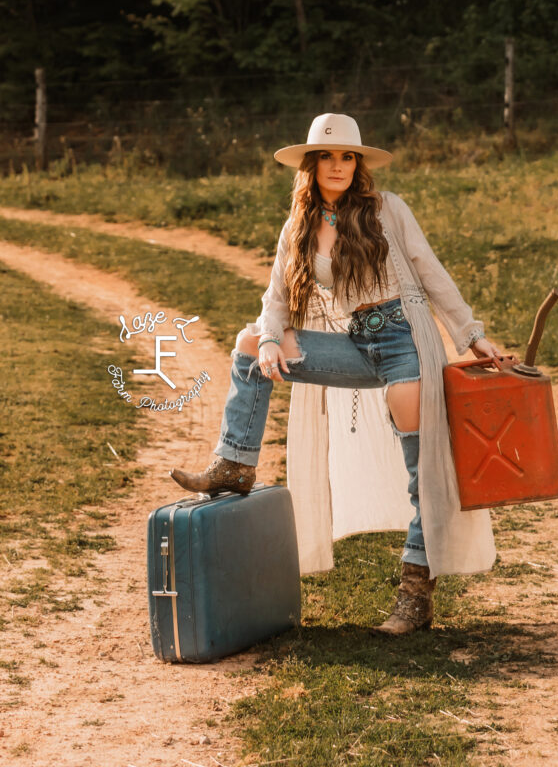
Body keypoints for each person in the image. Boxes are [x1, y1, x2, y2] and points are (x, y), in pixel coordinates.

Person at [171, 113, 501, 635]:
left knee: (423, 478)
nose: (339, 165)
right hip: (354, 344)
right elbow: (275, 298)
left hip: (404, 341)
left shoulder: (387, 209)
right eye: (328, 155)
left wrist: (471, 335)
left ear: (359, 164)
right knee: (250, 343)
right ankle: (235, 463)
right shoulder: (299, 224)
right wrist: (273, 340)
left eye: (348, 156)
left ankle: (416, 595)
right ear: (311, 163)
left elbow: (431, 270)